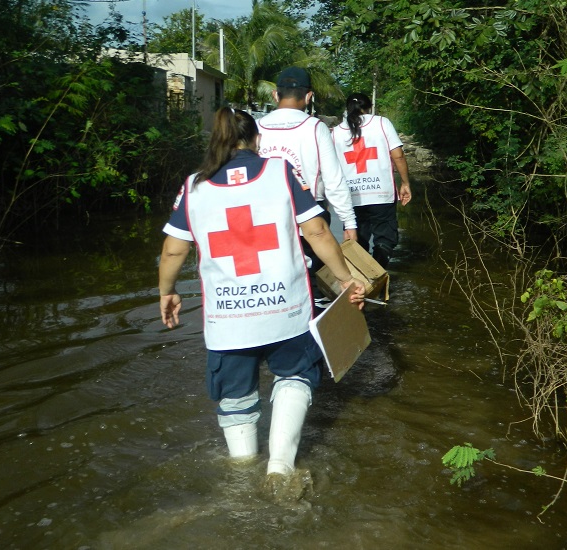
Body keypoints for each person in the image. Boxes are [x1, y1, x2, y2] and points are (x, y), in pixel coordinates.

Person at [158, 107, 366, 486]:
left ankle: (240, 473)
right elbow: (318, 231)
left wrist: (167, 292)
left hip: (228, 320)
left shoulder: (193, 186)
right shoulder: (280, 172)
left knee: (235, 396)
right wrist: (346, 279)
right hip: (285, 309)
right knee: (296, 374)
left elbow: (174, 250)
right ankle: (280, 468)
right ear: (257, 139)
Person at [257, 67, 358, 258]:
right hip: (310, 220)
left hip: (265, 219)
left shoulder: (255, 127)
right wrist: (349, 221)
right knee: (312, 280)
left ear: (275, 95)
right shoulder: (315, 128)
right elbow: (333, 180)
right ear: (309, 96)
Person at [330, 93, 412, 268]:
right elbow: (398, 156)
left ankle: (363, 282)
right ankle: (379, 275)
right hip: (382, 194)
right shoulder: (382, 123)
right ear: (369, 107)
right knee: (385, 239)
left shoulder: (336, 133)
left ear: (347, 109)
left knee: (357, 241)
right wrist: (405, 183)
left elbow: (331, 169)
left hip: (352, 197)